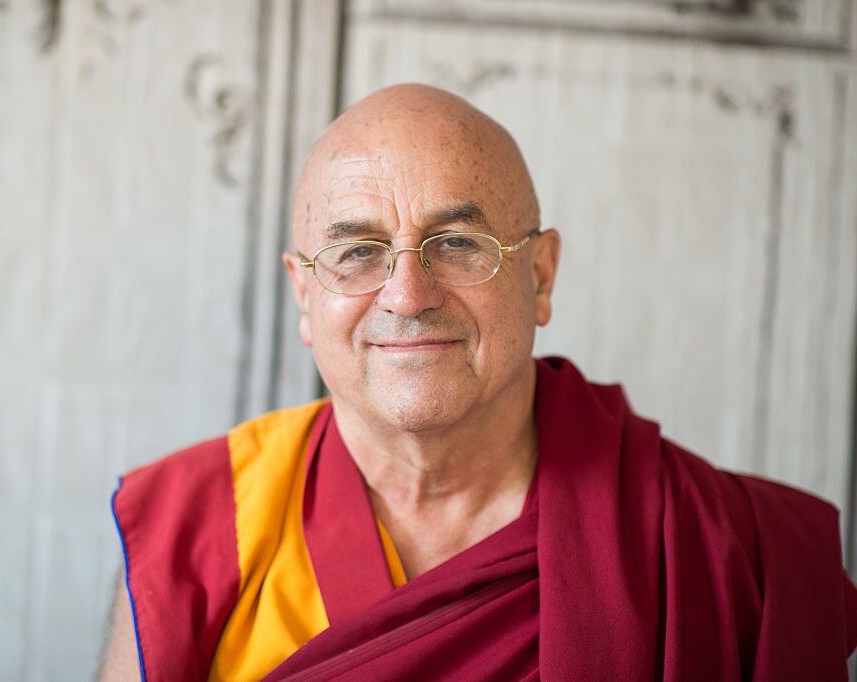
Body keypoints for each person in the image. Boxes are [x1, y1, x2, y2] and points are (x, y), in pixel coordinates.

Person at [97, 84, 857, 681]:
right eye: (358, 252)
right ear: (304, 296)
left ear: (541, 275)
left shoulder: (717, 551)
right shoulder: (197, 524)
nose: (406, 295)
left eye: (457, 243)